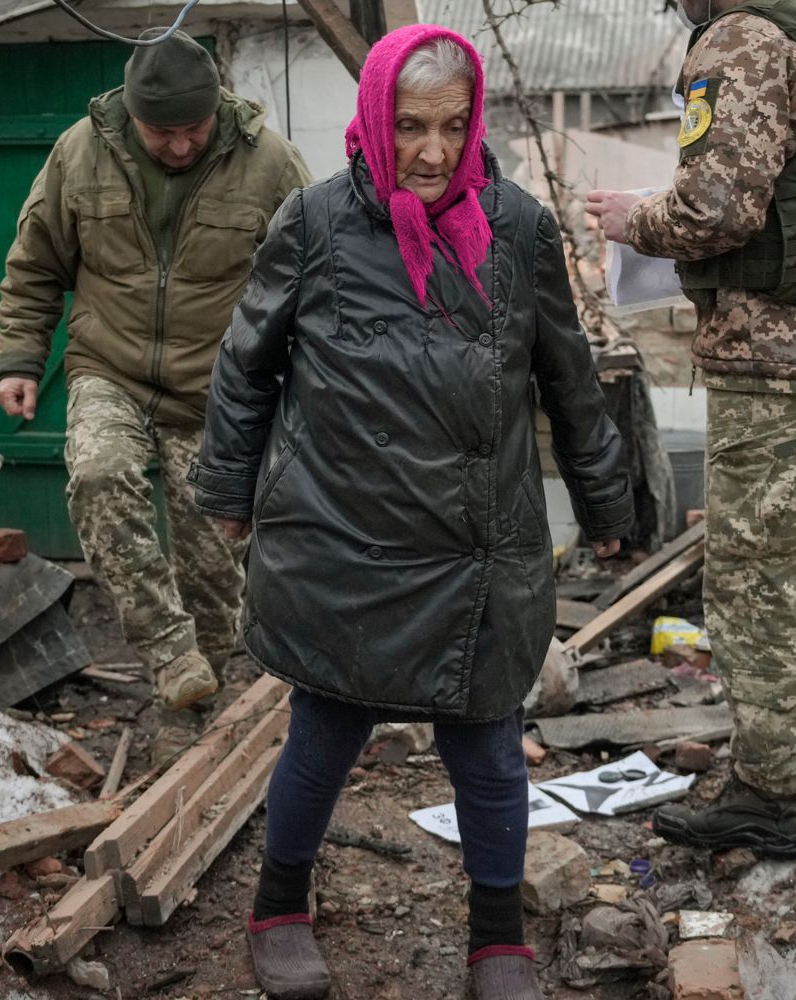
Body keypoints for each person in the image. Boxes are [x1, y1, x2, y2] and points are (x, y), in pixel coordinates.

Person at [187, 25, 632, 1000]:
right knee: (324, 731)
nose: (432, 151)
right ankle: (279, 907)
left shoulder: (515, 227)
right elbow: (244, 367)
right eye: (411, 126)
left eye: (452, 125)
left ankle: (495, 934)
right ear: (375, 122)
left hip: (477, 545)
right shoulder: (312, 222)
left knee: (484, 743)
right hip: (341, 533)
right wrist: (226, 491)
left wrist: (606, 498)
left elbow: (568, 377)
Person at [586, 0, 796, 858]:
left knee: (759, 579)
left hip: (779, 355)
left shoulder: (743, 37)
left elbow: (718, 211)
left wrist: (636, 221)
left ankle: (766, 794)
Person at [0, 31, 310, 710]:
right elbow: (36, 265)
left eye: (193, 129)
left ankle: (194, 705)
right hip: (111, 366)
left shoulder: (270, 164)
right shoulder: (80, 154)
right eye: (161, 131)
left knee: (213, 566)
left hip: (220, 388)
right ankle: (167, 650)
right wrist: (21, 359)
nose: (179, 145)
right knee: (99, 473)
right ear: (131, 113)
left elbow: (317, 281)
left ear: (216, 107)